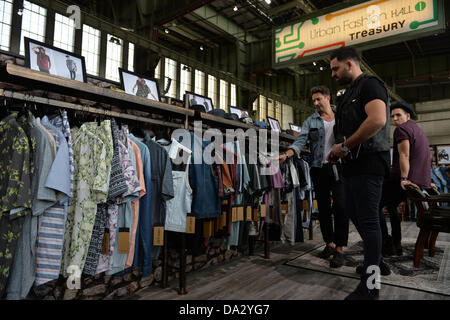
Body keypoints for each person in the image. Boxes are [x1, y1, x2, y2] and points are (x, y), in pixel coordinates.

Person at [327, 46, 390, 300]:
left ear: (350, 64)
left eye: (335, 68)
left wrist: (344, 146)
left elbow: (377, 120)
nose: (332, 74)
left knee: (368, 220)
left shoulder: (370, 85)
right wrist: (338, 150)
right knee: (354, 212)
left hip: (369, 162)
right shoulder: (349, 92)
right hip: (352, 164)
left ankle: (371, 286)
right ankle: (376, 261)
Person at [278, 86, 348, 268]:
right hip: (319, 169)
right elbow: (301, 141)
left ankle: (340, 249)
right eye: (314, 101)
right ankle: (330, 244)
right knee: (323, 208)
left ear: (327, 97)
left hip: (339, 167)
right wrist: (287, 154)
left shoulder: (342, 115)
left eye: (318, 99)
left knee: (341, 207)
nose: (316, 104)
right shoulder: (311, 121)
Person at [380, 102, 431, 256]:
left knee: (374, 206)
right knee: (391, 206)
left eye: (398, 115)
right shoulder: (418, 131)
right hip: (418, 180)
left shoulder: (401, 129)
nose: (395, 119)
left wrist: (404, 178)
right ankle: (397, 244)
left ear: (407, 116)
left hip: (403, 179)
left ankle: (387, 242)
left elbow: (404, 155)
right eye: (392, 116)